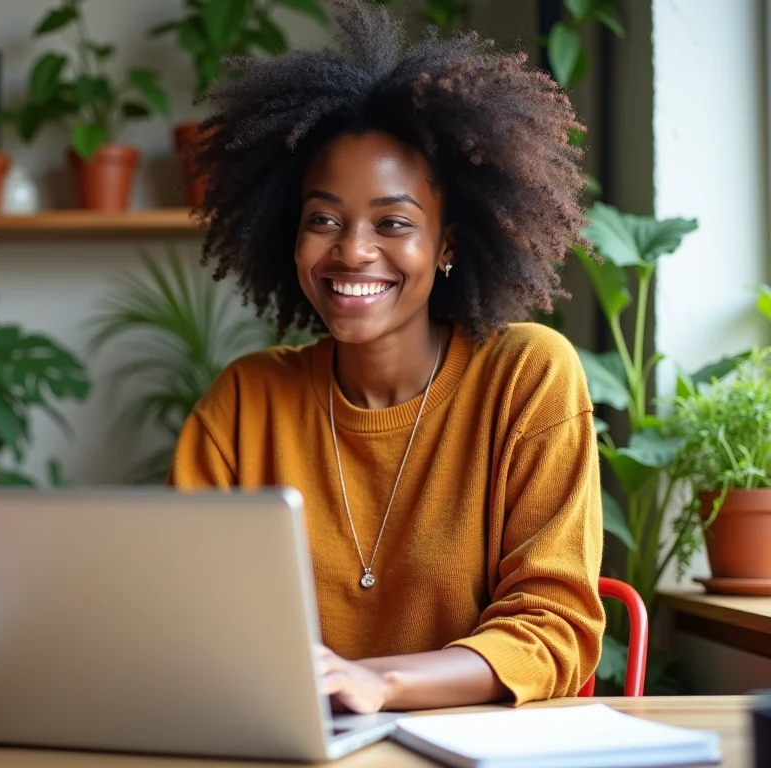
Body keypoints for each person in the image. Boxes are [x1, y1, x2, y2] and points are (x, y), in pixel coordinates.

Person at [167, 0, 606, 714]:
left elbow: (554, 625)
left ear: (450, 242)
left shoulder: (526, 377)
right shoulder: (245, 401)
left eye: (393, 222)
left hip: (469, 751)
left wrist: (380, 681)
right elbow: (180, 610)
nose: (352, 251)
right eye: (324, 220)